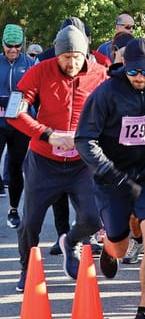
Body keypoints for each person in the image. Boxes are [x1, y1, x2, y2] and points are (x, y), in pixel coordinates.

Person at [75, 38, 145, 319]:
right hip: (113, 178)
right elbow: (85, 139)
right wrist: (109, 171)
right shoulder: (106, 94)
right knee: (120, 247)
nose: (139, 78)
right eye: (133, 72)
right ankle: (110, 249)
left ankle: (144, 313)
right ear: (123, 66)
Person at [11, 25, 107, 292]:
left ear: (85, 54)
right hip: (44, 161)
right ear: (57, 54)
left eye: (77, 57)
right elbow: (14, 112)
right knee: (30, 223)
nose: (72, 63)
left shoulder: (100, 74)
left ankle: (71, 241)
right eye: (66, 57)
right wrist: (47, 134)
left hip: (81, 163)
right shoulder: (40, 71)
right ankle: (27, 269)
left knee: (93, 218)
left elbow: (114, 110)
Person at [0, 24, 35, 229]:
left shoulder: (30, 64)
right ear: (3, 44)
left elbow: (38, 92)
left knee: (15, 167)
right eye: (9, 45)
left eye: (17, 46)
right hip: (0, 122)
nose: (13, 50)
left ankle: (13, 210)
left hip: (20, 123)